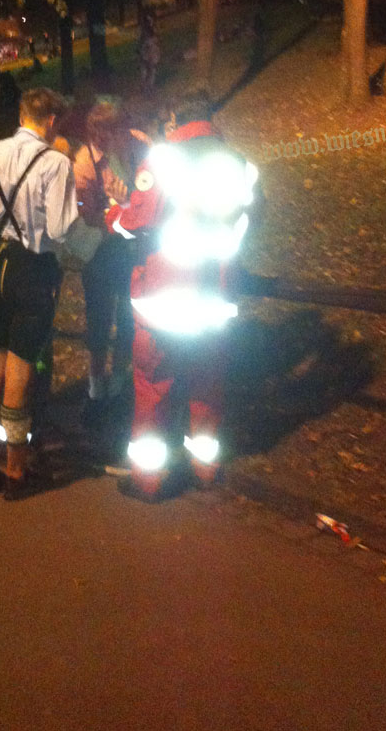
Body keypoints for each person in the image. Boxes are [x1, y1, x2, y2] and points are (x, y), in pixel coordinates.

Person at [105, 93, 257, 499]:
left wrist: (112, 212)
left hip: (165, 301)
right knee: (207, 388)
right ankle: (206, 470)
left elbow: (134, 222)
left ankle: (149, 480)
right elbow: (249, 221)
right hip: (216, 301)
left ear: (174, 118)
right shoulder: (240, 164)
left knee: (153, 386)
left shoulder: (164, 160)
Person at [0, 88, 78, 501]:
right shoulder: (56, 164)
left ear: (21, 114)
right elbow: (60, 231)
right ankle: (16, 474)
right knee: (20, 376)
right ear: (52, 121)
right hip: (32, 270)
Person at [73, 101, 145, 435]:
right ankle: (95, 390)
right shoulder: (85, 162)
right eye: (105, 132)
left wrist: (127, 202)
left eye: (115, 131)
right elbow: (85, 214)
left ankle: (118, 387)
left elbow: (146, 199)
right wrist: (114, 210)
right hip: (100, 250)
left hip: (131, 247)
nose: (112, 139)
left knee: (129, 319)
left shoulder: (136, 147)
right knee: (99, 322)